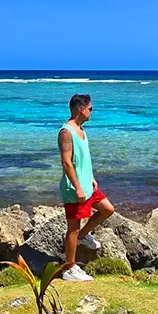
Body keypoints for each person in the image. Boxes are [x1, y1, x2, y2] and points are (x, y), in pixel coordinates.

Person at [57, 93, 114, 282]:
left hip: (87, 185)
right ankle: (69, 269)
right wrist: (78, 187)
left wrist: (90, 177)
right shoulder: (66, 132)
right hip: (75, 189)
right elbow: (66, 162)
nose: (92, 111)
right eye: (90, 108)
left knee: (108, 209)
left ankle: (84, 235)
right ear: (81, 109)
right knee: (72, 228)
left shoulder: (81, 129)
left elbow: (82, 158)